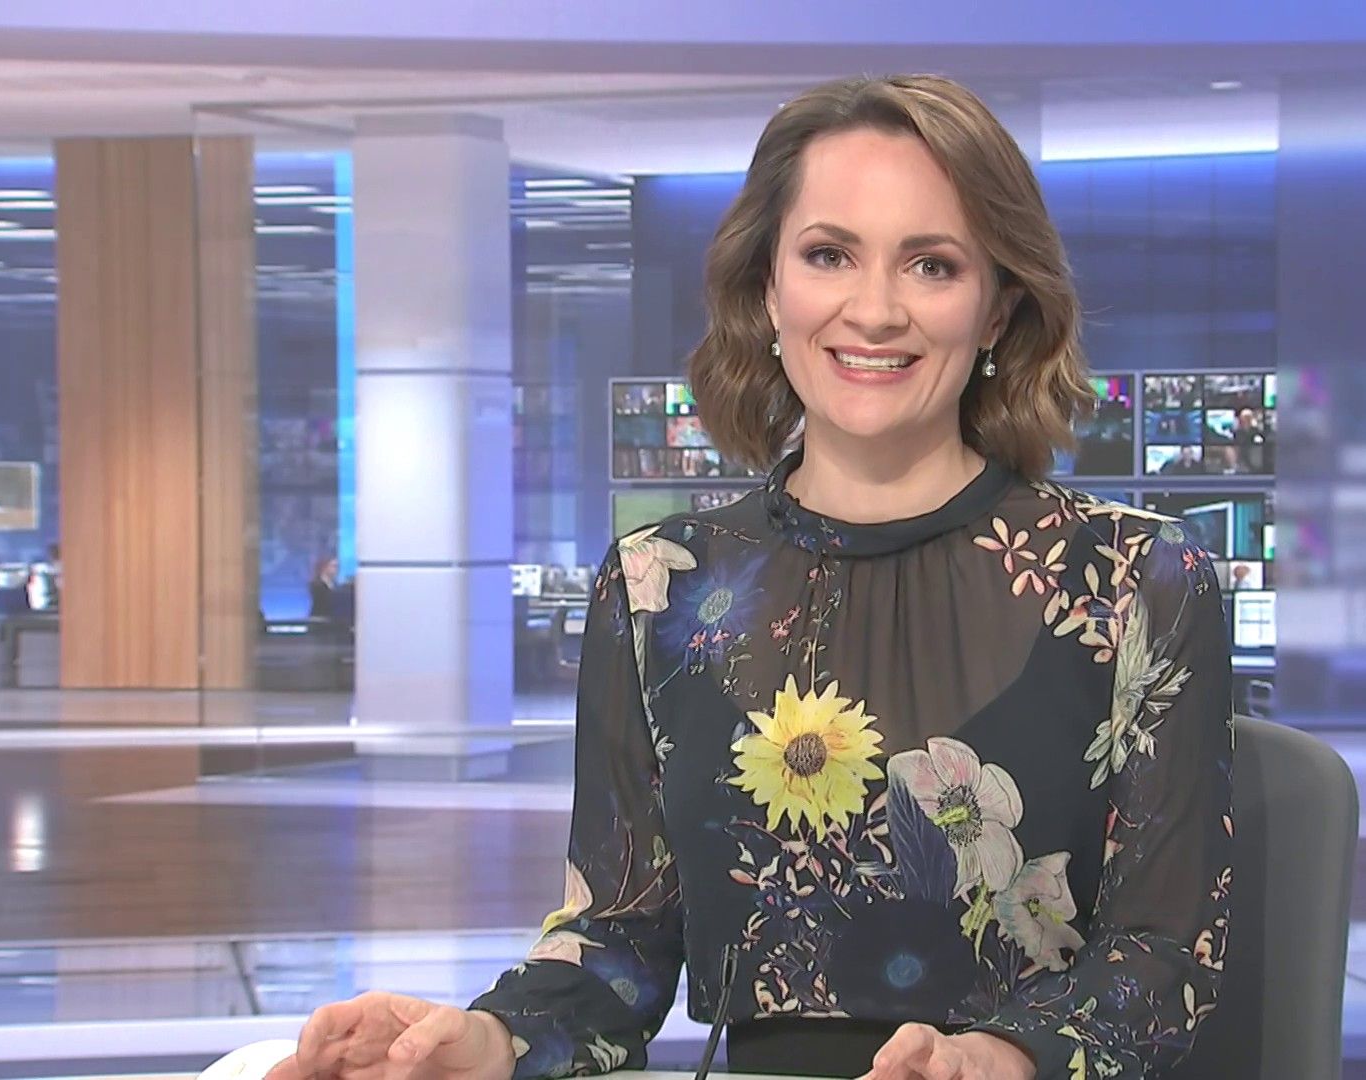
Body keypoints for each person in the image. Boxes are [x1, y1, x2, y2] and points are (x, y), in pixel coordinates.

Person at [274, 74, 1234, 1080]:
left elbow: (1164, 962)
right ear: (769, 288)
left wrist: (1001, 1059)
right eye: (829, 255)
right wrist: (486, 1041)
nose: (875, 310)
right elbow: (619, 943)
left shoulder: (1136, 581)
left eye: (932, 265)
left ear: (997, 308)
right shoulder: (658, 585)